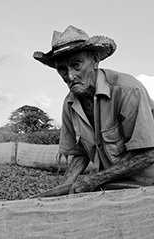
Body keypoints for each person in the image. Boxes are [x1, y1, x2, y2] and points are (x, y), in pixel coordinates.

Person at [33, 25, 154, 194]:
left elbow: (149, 153)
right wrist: (60, 191)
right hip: (113, 186)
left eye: (76, 66)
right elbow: (80, 153)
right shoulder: (70, 104)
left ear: (95, 60)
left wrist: (95, 179)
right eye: (62, 69)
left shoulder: (127, 91)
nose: (70, 76)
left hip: (148, 185)